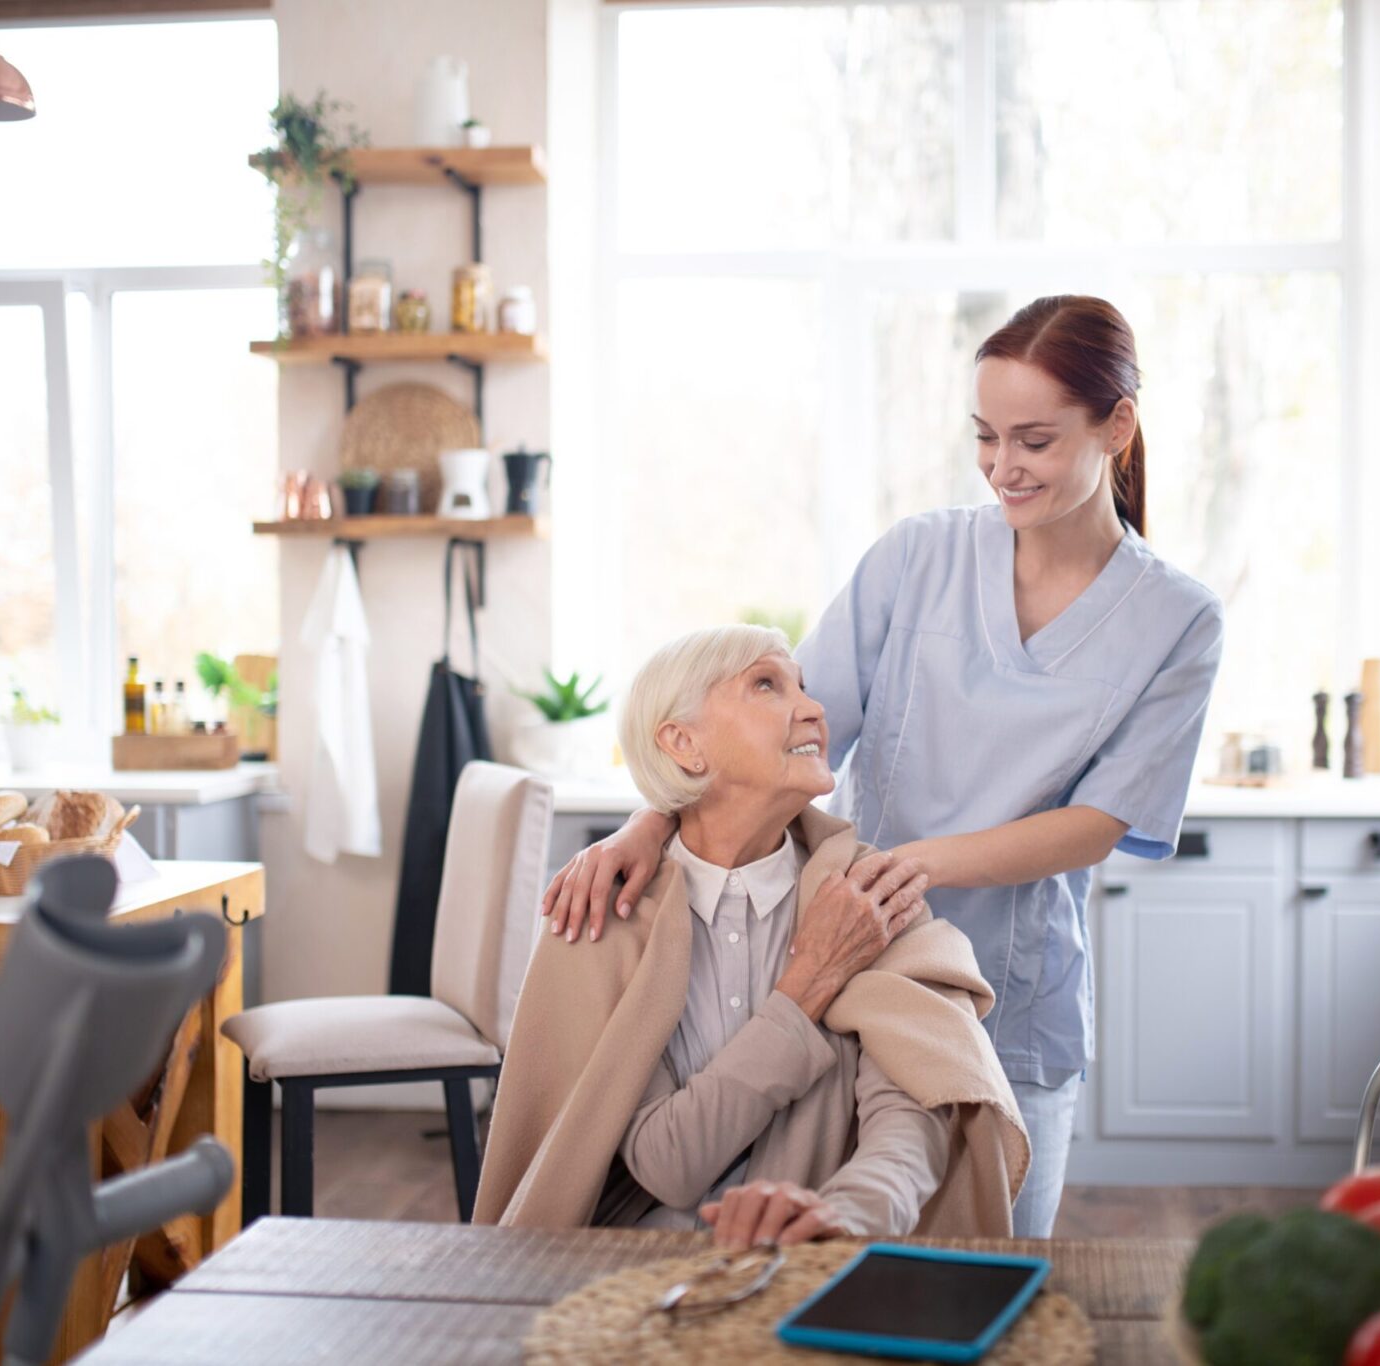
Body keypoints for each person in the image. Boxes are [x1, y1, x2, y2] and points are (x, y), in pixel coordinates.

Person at [542, 296, 1225, 1237]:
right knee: (834, 1258)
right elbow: (786, 731)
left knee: (991, 1269)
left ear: (1117, 425)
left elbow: (1103, 821)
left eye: (1033, 440)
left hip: (1011, 1000)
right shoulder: (919, 558)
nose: (1001, 468)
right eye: (985, 437)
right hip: (849, 970)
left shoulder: (1178, 618)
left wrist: (917, 865)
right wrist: (648, 821)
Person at [477, 625, 1027, 1245]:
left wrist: (850, 1212)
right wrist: (806, 985)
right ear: (684, 743)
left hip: (821, 1266)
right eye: (765, 685)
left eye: (803, 686)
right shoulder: (607, 915)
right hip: (630, 1268)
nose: (814, 709)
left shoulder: (869, 896)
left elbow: (913, 1113)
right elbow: (667, 1163)